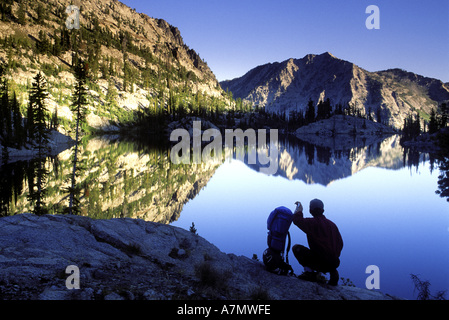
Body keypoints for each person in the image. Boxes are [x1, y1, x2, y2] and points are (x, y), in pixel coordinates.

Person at [292, 199, 343, 286]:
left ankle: (309, 274)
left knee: (296, 248)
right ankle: (333, 272)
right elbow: (340, 243)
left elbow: (297, 220)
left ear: (310, 211)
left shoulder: (311, 223)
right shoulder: (332, 225)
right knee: (327, 257)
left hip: (320, 262)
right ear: (323, 210)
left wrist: (299, 209)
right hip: (334, 262)